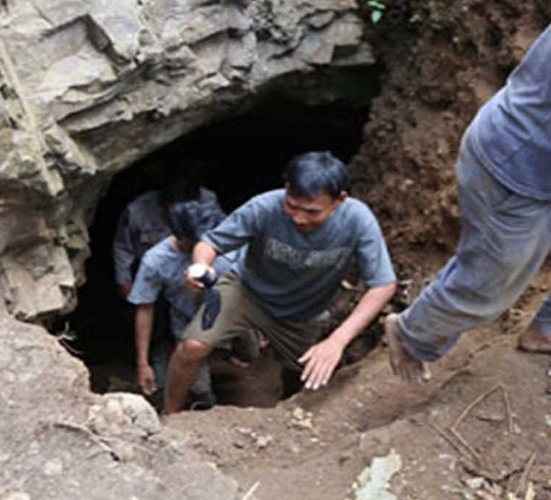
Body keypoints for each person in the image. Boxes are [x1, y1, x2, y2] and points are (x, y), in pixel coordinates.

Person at [163, 151, 398, 415]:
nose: (298, 218)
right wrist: (201, 265)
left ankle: (286, 417)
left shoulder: (357, 220)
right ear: (286, 190)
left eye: (311, 211)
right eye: (292, 206)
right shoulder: (264, 207)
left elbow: (383, 284)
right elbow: (211, 243)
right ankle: (169, 415)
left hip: (303, 312)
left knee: (306, 375)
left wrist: (337, 341)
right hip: (246, 291)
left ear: (339, 200)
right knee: (191, 347)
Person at [384, 23, 551, 383]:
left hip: (529, 164)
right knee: (486, 285)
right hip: (513, 169)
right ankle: (410, 334)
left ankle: (545, 330)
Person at [127, 201, 240, 408]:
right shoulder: (156, 260)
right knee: (198, 388)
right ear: (183, 239)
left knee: (250, 354)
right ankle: (205, 413)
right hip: (188, 322)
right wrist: (142, 363)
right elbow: (144, 308)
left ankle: (232, 357)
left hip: (233, 313)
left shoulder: (228, 245)